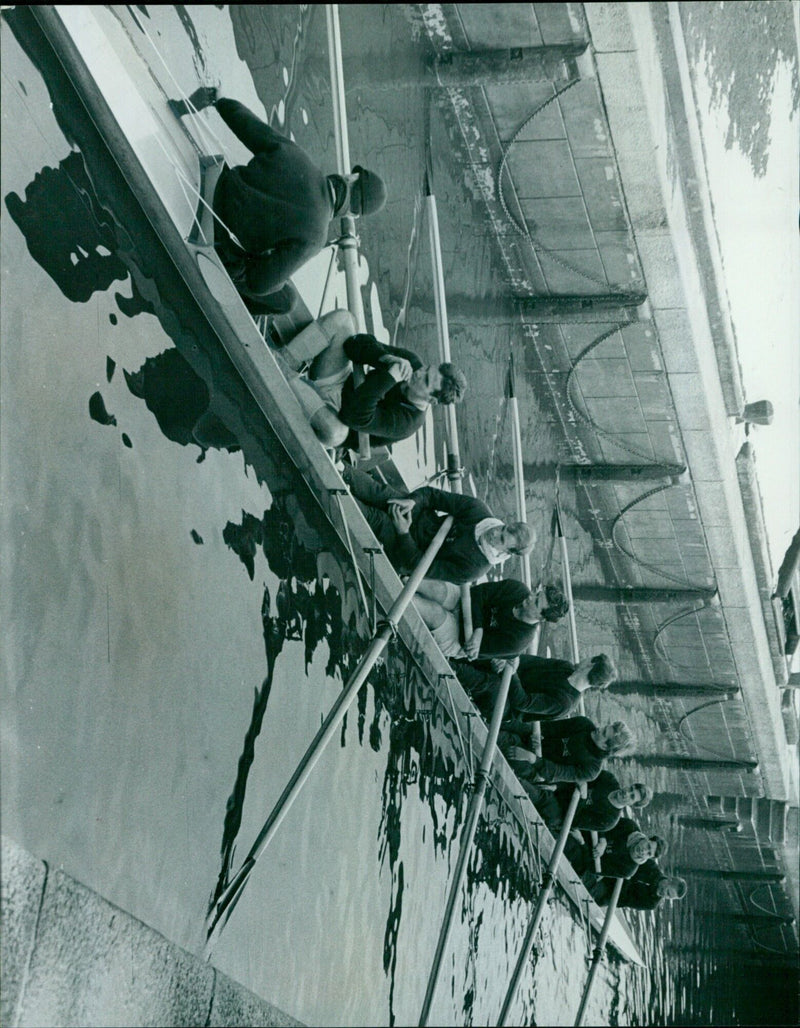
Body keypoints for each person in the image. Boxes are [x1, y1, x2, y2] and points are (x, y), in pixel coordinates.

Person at [169, 89, 386, 313]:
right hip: (217, 238)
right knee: (286, 300)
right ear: (352, 214)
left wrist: (220, 100)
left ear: (350, 178)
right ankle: (219, 304)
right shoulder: (316, 237)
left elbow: (247, 124)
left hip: (215, 183)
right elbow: (260, 283)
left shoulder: (301, 158)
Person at [274, 310, 466, 449]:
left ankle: (276, 368)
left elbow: (352, 416)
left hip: (335, 415)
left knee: (335, 433)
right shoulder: (412, 363)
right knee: (344, 319)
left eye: (425, 381)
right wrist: (383, 358)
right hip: (339, 382)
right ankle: (284, 361)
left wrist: (389, 378)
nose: (418, 373)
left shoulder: (408, 423)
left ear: (431, 400)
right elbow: (353, 344)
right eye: (427, 369)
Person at [343, 467, 534, 585]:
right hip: (418, 518)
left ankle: (336, 492)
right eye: (503, 528)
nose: (495, 532)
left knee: (377, 519)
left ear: (507, 552)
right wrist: (413, 501)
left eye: (501, 539)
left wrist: (403, 533)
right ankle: (341, 468)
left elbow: (415, 566)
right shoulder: (479, 511)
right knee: (383, 493)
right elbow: (432, 496)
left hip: (407, 551)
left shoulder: (473, 569)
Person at [413, 579, 568, 661]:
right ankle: (405, 578)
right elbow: (477, 592)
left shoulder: (518, 640)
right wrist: (479, 629)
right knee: (437, 590)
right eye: (536, 593)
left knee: (435, 612)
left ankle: (398, 596)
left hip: (458, 638)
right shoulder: (518, 589)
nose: (530, 596)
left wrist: (474, 626)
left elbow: (467, 644)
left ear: (541, 617)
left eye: (535, 602)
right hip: (465, 604)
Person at [456, 651, 616, 726]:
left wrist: (510, 672)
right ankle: (454, 656)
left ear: (591, 664)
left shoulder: (565, 703)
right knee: (500, 653)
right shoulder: (566, 667)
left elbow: (522, 702)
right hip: (508, 675)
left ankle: (453, 669)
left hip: (505, 708)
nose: (584, 656)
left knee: (494, 684)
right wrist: (509, 661)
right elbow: (529, 661)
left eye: (589, 657)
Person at [501, 715, 634, 787]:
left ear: (605, 747)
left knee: (506, 740)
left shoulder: (591, 769)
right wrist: (536, 733)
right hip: (531, 741)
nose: (599, 728)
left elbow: (556, 772)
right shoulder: (584, 723)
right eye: (606, 726)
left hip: (536, 768)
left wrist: (532, 758)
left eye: (604, 733)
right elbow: (548, 727)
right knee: (506, 721)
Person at [530, 770, 653, 835]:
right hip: (557, 789)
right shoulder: (608, 779)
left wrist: (583, 796)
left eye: (631, 797)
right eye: (630, 789)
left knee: (533, 793)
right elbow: (577, 776)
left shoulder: (609, 820)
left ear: (632, 805)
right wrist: (557, 786)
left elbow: (575, 820)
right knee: (534, 777)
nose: (626, 793)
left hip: (559, 812)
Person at [592, 860, 687, 910]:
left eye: (668, 897)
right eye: (668, 892)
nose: (664, 896)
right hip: (610, 874)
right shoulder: (651, 866)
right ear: (669, 880)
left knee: (593, 890)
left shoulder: (651, 903)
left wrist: (627, 878)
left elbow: (624, 900)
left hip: (609, 893)